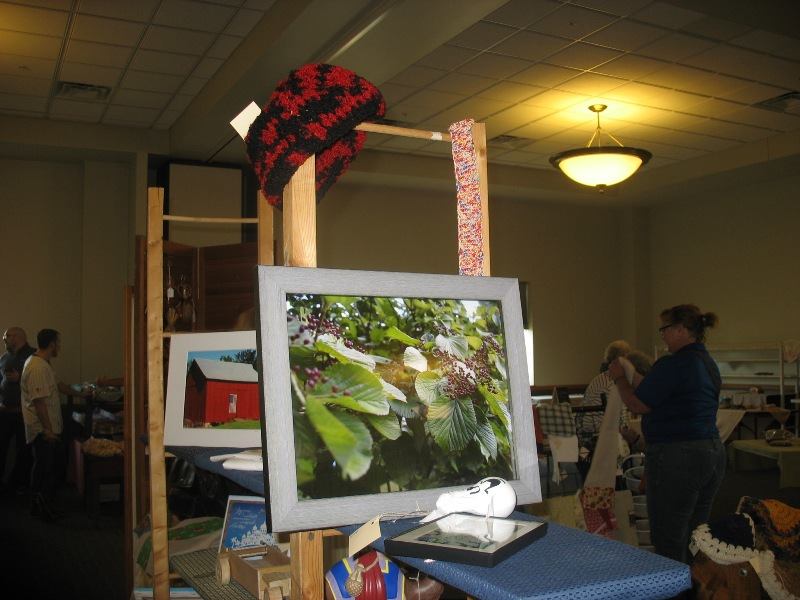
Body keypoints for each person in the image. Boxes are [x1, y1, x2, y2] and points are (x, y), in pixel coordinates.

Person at [608, 304, 725, 563]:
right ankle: (696, 581)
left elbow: (638, 404)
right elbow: (655, 389)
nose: (662, 335)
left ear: (681, 330)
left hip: (678, 457)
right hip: (711, 453)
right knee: (696, 536)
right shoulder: (707, 363)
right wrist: (631, 373)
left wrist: (619, 379)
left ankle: (672, 583)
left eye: (665, 329)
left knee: (668, 538)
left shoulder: (674, 364)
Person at [20, 328, 89, 520]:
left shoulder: (44, 364)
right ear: (51, 344)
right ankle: (39, 508)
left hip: (48, 428)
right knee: (44, 469)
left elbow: (60, 386)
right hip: (42, 430)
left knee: (50, 469)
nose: (59, 347)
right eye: (58, 343)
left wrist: (82, 394)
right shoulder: (37, 367)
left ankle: (45, 505)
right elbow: (39, 402)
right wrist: (48, 430)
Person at [0, 327, 36, 492]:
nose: (4, 339)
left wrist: (20, 377)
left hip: (24, 413)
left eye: (7, 336)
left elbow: (41, 381)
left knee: (24, 451)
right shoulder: (4, 357)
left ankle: (20, 486)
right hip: (4, 412)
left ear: (18, 337)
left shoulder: (34, 356)